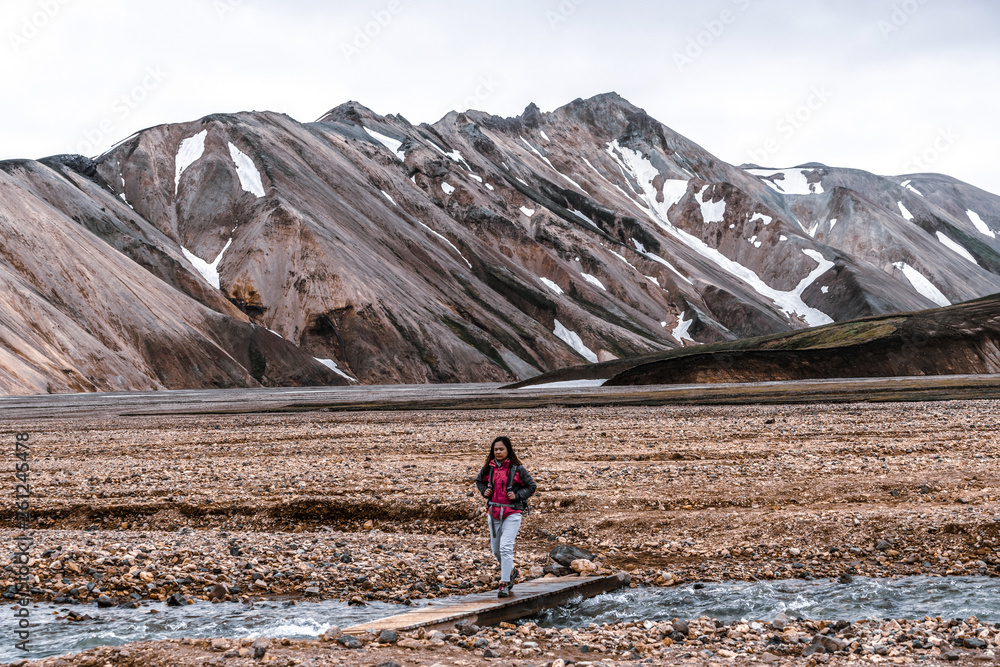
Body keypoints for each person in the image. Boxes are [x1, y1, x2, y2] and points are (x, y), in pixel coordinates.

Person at [475, 436, 536, 598]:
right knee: (496, 550)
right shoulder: (489, 468)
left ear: (508, 450)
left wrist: (517, 495)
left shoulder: (518, 469)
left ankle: (504, 583)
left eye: (501, 449)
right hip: (494, 512)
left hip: (512, 512)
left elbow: (531, 487)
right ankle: (511, 571)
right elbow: (479, 481)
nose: (498, 452)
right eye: (496, 449)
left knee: (505, 548)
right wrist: (484, 491)